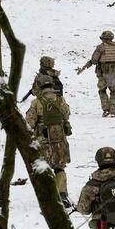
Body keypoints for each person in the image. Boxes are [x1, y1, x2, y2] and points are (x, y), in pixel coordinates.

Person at [25, 76, 74, 209]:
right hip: (60, 140)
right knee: (59, 168)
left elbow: (29, 122)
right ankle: (62, 194)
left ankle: (48, 197)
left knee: (43, 168)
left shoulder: (36, 102)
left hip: (43, 141)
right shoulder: (60, 99)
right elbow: (67, 114)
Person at [77, 30, 115, 117]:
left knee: (102, 91)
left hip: (103, 73)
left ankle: (106, 110)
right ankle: (113, 111)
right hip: (114, 73)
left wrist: (85, 67)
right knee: (113, 92)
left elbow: (94, 60)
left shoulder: (100, 47)